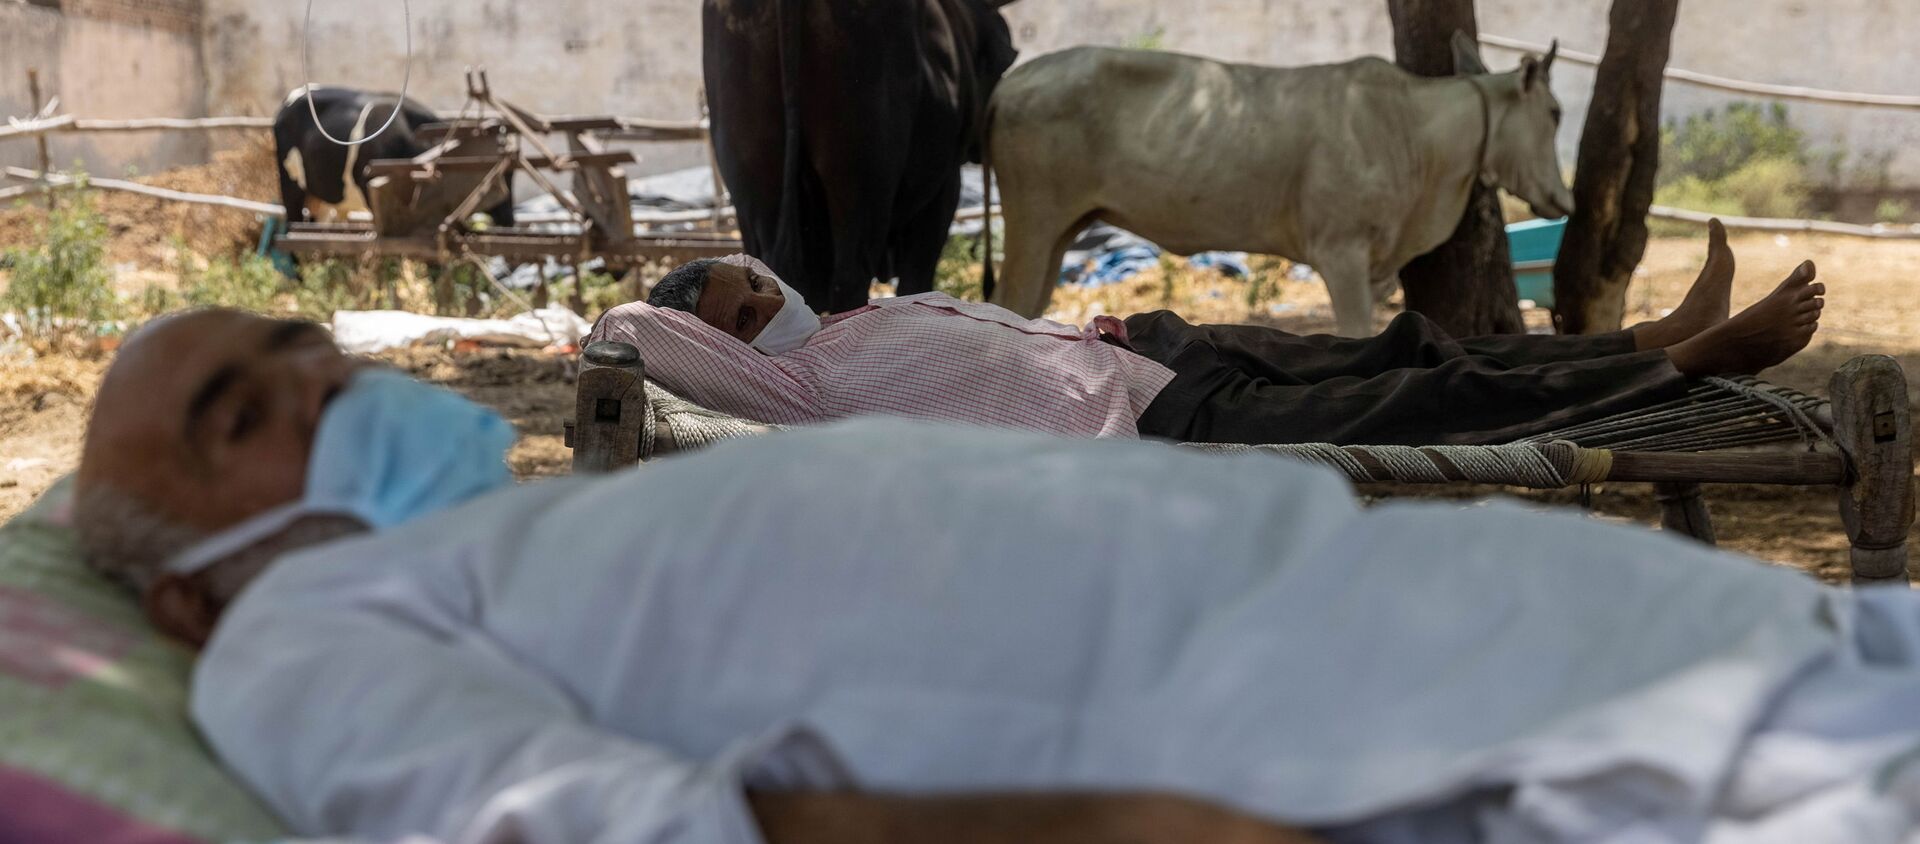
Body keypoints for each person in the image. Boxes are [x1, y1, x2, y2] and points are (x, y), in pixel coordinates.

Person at [73, 308, 1920, 844]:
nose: (326, 380)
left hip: (1563, 645)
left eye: (305, 342)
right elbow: (599, 824)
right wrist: (1133, 825)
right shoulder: (293, 634)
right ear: (185, 590)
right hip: (1507, 746)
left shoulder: (516, 536)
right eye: (247, 410)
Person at [589, 221, 1825, 445]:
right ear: (738, 354)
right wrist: (676, 301)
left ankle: (1646, 336)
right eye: (750, 316)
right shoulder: (800, 389)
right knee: (1418, 408)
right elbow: (631, 325)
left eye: (759, 286)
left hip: (1150, 345)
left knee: (1407, 350)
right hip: (1156, 422)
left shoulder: (852, 321)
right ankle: (1685, 366)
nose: (771, 306)